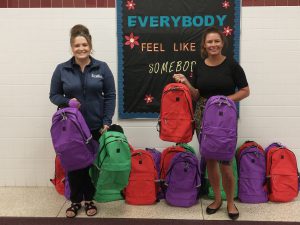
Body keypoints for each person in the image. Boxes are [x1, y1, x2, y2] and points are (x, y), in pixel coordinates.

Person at [173, 26, 250, 220]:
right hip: (203, 116)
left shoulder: (232, 65)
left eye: (217, 41)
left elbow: (245, 90)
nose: (213, 45)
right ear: (204, 45)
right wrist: (186, 83)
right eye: (210, 42)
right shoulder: (199, 66)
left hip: (224, 117)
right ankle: (217, 199)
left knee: (226, 162)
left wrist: (226, 100)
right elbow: (197, 94)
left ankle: (230, 202)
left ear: (222, 43)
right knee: (210, 160)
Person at [49, 24, 116, 218]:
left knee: (87, 164)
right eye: (77, 45)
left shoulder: (101, 67)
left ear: (90, 45)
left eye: (84, 45)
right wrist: (66, 101)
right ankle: (78, 201)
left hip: (94, 125)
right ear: (72, 47)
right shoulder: (62, 69)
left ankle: (87, 199)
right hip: (70, 128)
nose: (81, 49)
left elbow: (110, 95)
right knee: (74, 165)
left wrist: (107, 120)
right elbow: (53, 95)